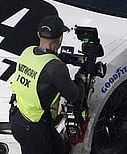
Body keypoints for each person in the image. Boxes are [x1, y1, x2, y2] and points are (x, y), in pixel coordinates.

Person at [9, 15, 85, 154]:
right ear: (61, 38)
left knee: (59, 149)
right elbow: (74, 95)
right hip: (34, 126)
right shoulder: (56, 67)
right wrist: (80, 80)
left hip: (17, 117)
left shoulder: (28, 51)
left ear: (38, 34)